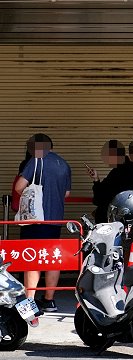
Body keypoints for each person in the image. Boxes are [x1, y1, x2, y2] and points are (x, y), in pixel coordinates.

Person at [14, 134, 71, 313]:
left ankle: (29, 301)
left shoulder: (36, 161)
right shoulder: (64, 164)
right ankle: (49, 300)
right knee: (51, 258)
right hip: (55, 219)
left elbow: (19, 187)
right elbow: (66, 194)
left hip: (36, 218)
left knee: (32, 258)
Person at [87, 140, 133, 224]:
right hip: (129, 214)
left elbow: (104, 194)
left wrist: (97, 181)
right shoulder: (130, 169)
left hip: (113, 217)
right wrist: (96, 179)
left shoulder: (119, 172)